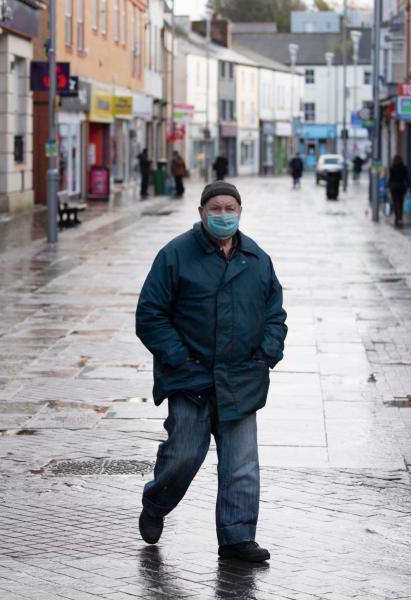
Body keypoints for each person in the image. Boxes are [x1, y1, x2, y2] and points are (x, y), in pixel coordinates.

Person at [135, 181, 287, 563]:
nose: (223, 215)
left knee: (242, 465)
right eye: (215, 208)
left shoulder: (256, 258)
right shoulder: (175, 255)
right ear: (202, 212)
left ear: (240, 211)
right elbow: (150, 315)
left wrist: (267, 353)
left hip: (241, 379)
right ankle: (155, 504)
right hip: (191, 378)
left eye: (230, 208)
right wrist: (178, 358)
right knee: (183, 455)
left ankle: (237, 538)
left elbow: (275, 313)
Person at [388, 155, 409, 226]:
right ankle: (400, 216)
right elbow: (406, 178)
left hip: (393, 186)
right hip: (401, 186)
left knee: (395, 202)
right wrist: (408, 186)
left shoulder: (392, 168)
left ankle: (397, 216)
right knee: (401, 202)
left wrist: (388, 186)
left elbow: (391, 178)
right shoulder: (404, 168)